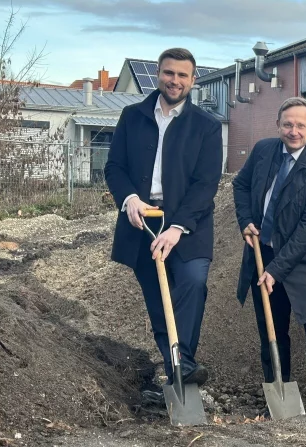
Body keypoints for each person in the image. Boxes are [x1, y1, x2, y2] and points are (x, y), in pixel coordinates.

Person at [104, 48, 223, 392]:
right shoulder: (133, 115)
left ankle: (181, 362)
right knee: (159, 304)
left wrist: (176, 227)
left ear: (193, 79)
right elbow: (114, 167)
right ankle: (179, 374)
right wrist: (128, 199)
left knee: (192, 283)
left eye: (182, 75)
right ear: (159, 73)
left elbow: (206, 184)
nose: (175, 81)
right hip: (142, 219)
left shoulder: (206, 126)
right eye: (169, 73)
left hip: (189, 223)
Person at [233, 97, 306, 414]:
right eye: (287, 124)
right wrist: (245, 221)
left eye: (300, 125)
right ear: (278, 125)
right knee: (272, 330)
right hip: (263, 253)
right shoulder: (264, 150)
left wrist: (276, 270)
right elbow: (240, 185)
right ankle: (277, 402)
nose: (294, 131)